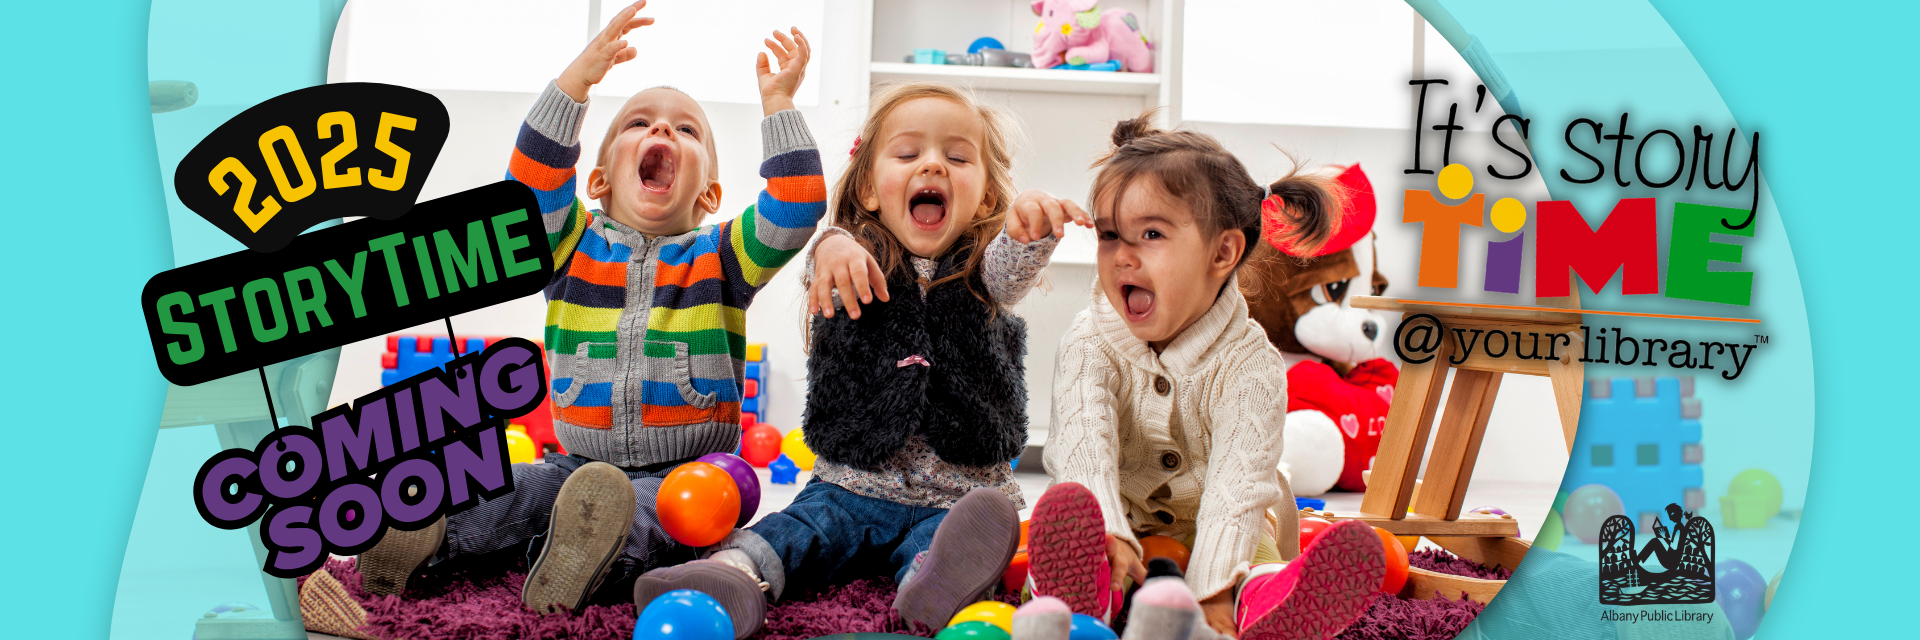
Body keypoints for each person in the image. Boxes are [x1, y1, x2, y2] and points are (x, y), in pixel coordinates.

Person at [355, 2, 825, 629]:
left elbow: (796, 209)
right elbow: (529, 186)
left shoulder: (725, 256)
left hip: (682, 475)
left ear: (709, 193)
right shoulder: (566, 245)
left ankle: (582, 561)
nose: (663, 133)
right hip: (573, 469)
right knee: (507, 490)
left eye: (686, 131)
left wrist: (780, 106)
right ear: (599, 179)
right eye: (641, 122)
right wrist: (576, 83)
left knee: (667, 520)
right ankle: (430, 533)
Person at [632, 81, 1093, 635]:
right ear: (872, 189)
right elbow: (823, 267)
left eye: (956, 156)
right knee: (796, 530)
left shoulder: (982, 274)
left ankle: (932, 587)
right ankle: (730, 573)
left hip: (958, 496)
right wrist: (832, 245)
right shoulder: (853, 258)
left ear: (987, 198)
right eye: (908, 153)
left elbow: (1009, 268)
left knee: (950, 548)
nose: (933, 166)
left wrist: (1028, 232)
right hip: (852, 486)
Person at [1028, 114, 1383, 639]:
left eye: (1151, 234)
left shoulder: (1251, 363)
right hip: (1121, 511)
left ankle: (1265, 600)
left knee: (1255, 554)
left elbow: (1237, 486)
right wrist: (1108, 531)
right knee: (1073, 515)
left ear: (1223, 252)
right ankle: (1087, 593)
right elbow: (1082, 444)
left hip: (1226, 526)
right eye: (1108, 235)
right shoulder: (1089, 340)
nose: (1122, 255)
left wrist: (1212, 591)